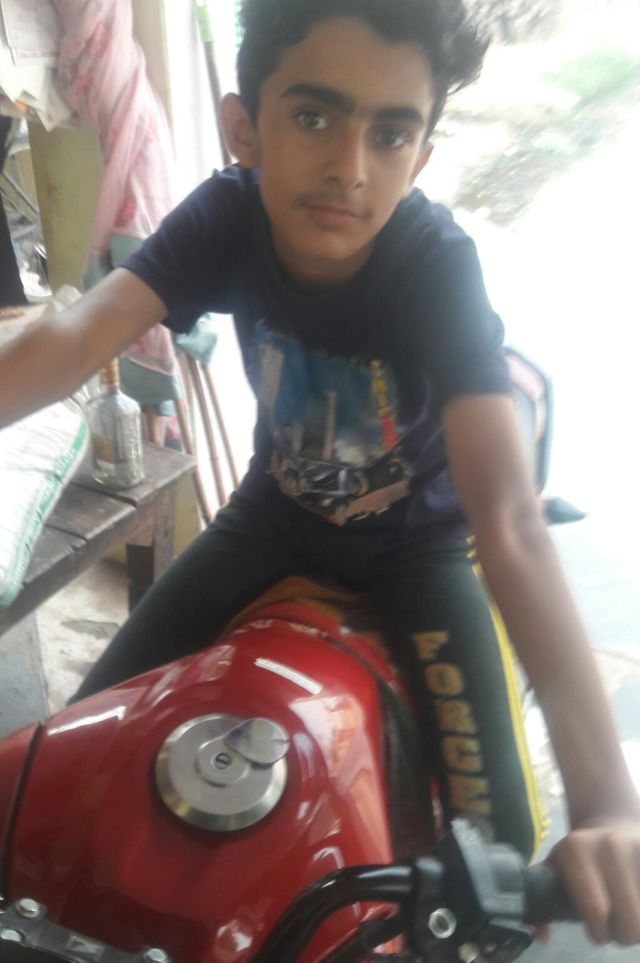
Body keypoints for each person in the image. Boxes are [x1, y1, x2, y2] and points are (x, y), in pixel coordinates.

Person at [1, 0, 639, 946]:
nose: (351, 167)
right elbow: (76, 334)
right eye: (313, 116)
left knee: (499, 857)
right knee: (70, 761)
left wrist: (610, 805)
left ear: (421, 157)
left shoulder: (435, 264)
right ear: (243, 128)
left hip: (421, 548)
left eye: (391, 133)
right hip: (273, 515)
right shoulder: (226, 216)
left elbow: (506, 518)